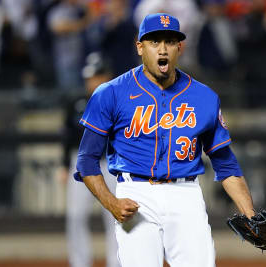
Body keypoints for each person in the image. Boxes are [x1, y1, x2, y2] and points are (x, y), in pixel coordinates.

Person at [74, 13, 255, 267]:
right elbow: (86, 160)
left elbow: (226, 164)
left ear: (180, 47)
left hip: (186, 194)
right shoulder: (111, 93)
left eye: (170, 42)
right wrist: (111, 202)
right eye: (154, 42)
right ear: (140, 47)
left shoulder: (204, 97)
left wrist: (249, 213)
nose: (162, 49)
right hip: (135, 193)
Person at [60, 52, 119, 267]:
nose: (92, 81)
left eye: (96, 76)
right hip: (81, 163)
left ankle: (117, 262)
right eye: (90, 77)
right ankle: (79, 262)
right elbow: (66, 136)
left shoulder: (118, 101)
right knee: (75, 215)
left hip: (110, 163)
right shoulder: (76, 101)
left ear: (107, 76)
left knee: (114, 215)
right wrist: (63, 165)